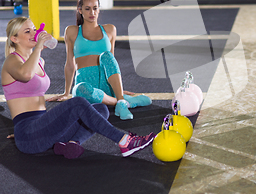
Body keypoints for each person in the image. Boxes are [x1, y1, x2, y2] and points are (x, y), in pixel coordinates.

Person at [1, 17, 155, 159]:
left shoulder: (39, 61)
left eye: (34, 29)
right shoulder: (11, 61)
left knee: (100, 109)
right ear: (14, 39)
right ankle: (124, 141)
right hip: (29, 135)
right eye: (27, 31)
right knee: (78, 103)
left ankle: (70, 143)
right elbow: (25, 75)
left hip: (43, 130)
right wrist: (39, 48)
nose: (34, 33)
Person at [48, 0, 151, 120]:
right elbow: (69, 64)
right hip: (86, 87)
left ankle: (118, 98)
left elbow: (112, 63)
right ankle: (123, 102)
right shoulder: (72, 31)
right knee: (79, 89)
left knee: (107, 55)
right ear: (80, 10)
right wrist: (66, 92)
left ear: (99, 9)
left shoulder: (110, 30)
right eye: (87, 9)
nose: (92, 13)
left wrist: (118, 88)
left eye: (95, 8)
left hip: (106, 84)